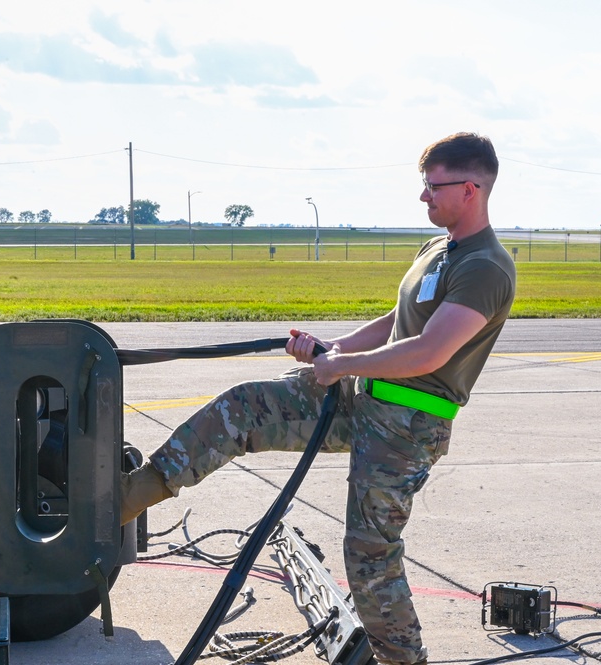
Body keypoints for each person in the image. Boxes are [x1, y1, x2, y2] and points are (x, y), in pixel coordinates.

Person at [121, 131, 516, 665]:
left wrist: (342, 366)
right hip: (365, 399)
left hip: (409, 425)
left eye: (433, 187)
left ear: (471, 189)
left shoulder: (485, 267)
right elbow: (396, 325)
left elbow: (428, 351)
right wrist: (334, 350)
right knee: (245, 408)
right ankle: (121, 504)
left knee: (371, 557)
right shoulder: (438, 250)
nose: (424, 197)